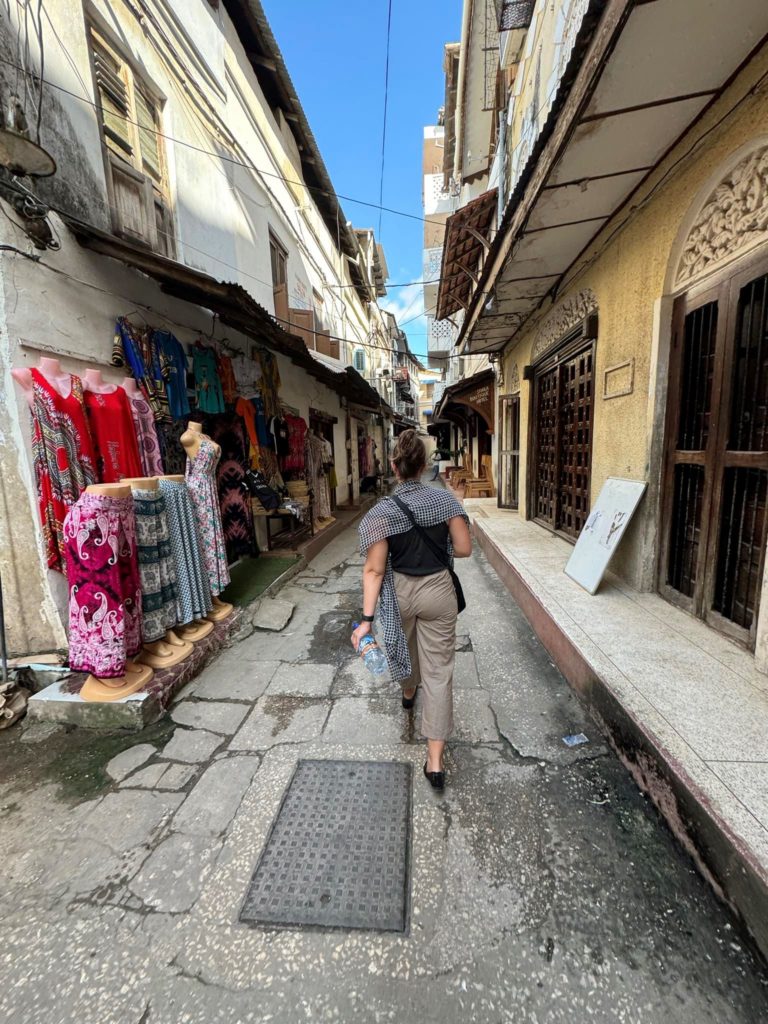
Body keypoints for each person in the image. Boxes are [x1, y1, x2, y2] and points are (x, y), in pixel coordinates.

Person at [353, 429, 472, 790]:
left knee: (403, 650)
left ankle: (408, 692)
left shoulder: (383, 512)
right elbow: (464, 549)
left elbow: (374, 570)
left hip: (400, 593)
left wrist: (366, 621)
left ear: (394, 466)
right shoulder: (445, 501)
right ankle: (435, 762)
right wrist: (449, 525)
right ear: (422, 466)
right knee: (439, 672)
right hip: (439, 591)